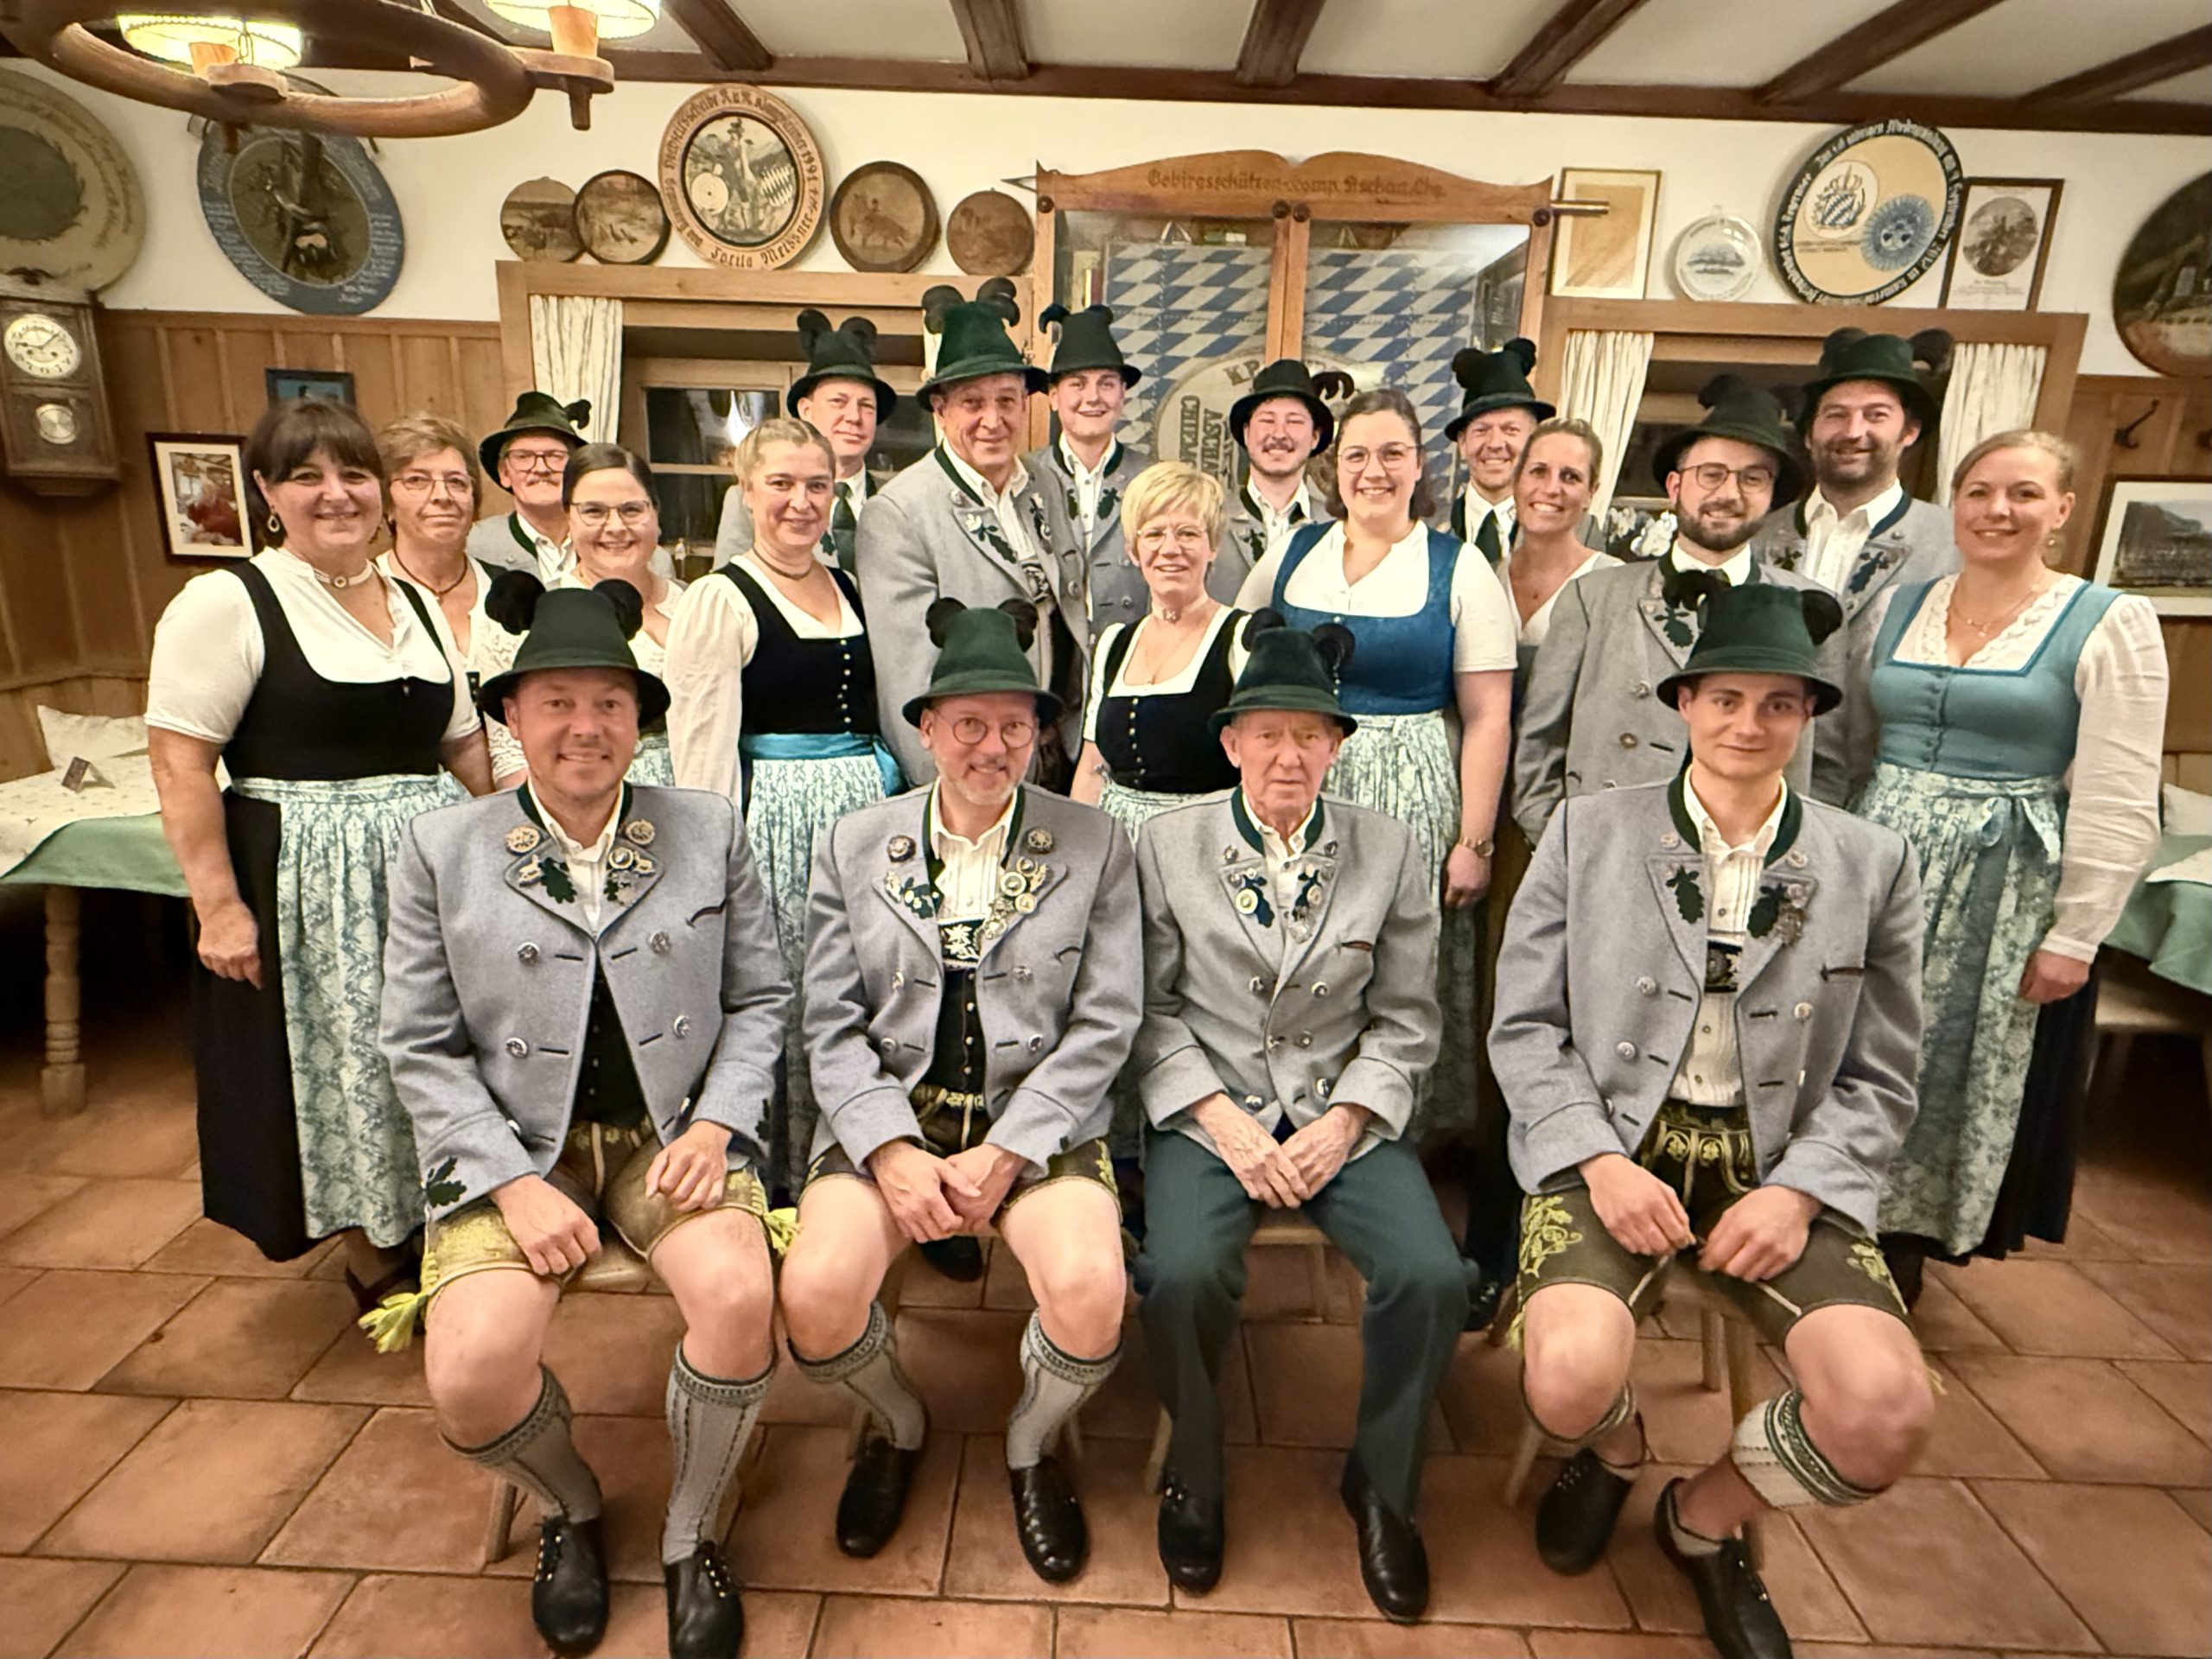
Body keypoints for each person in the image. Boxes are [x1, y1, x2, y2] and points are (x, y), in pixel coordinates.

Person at [1492, 582, 1932, 1659]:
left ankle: (1704, 1515)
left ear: (1809, 715)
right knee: (1565, 1380)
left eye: (1777, 704)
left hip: (1781, 1168)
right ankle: (1618, 1448)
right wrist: (1598, 1162)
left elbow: (1882, 1074)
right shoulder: (1585, 833)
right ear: (1684, 703)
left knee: (1884, 1415)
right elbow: (1524, 1029)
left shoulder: (1871, 863)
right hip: (1612, 1146)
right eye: (1725, 698)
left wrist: (1799, 1193)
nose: (1747, 724)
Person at [376, 585, 789, 1659]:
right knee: (469, 1373)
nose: (584, 727)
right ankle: (571, 1504)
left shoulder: (706, 828)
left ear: (638, 719)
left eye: (609, 702)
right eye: (556, 702)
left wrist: (717, 1126)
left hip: (671, 1137)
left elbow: (761, 1000)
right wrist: (511, 1182)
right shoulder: (442, 848)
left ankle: (692, 1529)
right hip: (516, 1152)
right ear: (512, 716)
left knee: (740, 1297)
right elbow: (416, 1043)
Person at [780, 601, 1138, 1585]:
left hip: (1036, 1120)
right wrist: (890, 1150)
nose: (993, 747)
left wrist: (1012, 1149)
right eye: (969, 724)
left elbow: (1107, 1021)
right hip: (895, 1111)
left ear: (1041, 735)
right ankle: (897, 1423)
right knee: (813, 1295)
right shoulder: (854, 842)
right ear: (927, 729)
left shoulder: (1095, 842)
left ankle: (1030, 1441)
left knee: (1092, 1294)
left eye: (1016, 726)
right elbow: (828, 1023)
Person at [1134, 625, 1465, 1620]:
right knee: (1180, 1273)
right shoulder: (1166, 845)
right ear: (1231, 743)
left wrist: (1350, 1117)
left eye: (1309, 735)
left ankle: (1384, 1483)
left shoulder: (1389, 847)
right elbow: (1146, 1010)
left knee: (1432, 1277)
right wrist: (1220, 1120)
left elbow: (1408, 1018)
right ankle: (1194, 1472)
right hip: (1210, 1108)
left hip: (1338, 1107)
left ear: (1336, 746)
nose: (1288, 756)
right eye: (1268, 734)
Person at [146, 398, 493, 1291]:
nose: (336, 495)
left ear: (380, 491)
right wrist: (219, 907)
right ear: (266, 492)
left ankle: (444, 1209)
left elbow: (462, 744)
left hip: (425, 870)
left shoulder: (413, 601)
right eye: (307, 477)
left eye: (354, 474)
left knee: (437, 1045)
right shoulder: (230, 601)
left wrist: (518, 845)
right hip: (310, 880)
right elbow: (181, 764)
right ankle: (373, 1241)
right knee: (349, 1059)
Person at [1857, 430, 2168, 1300]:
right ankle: (1827, 1215)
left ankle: (1902, 1248)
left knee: (1946, 1059)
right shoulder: (1902, 606)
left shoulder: (2107, 620)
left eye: (2024, 494)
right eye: (1979, 492)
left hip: (2000, 879)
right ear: (1953, 504)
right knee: (1854, 1043)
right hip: (1881, 857)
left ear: (2062, 509)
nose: (1998, 510)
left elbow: (2118, 791)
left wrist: (2077, 934)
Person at [1236, 387, 1515, 1138]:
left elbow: (1489, 716)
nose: (1374, 471)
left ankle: (1389, 1128)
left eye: (1393, 453)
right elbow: (1239, 662)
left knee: (1393, 960)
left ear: (1420, 464)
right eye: (1357, 455)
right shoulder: (1292, 554)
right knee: (1292, 946)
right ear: (1336, 466)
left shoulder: (1458, 567)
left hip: (1410, 790)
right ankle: (1285, 1118)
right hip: (1298, 782)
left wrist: (1475, 840)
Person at [665, 416, 898, 1194]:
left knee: (860, 988)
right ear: (746, 491)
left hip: (863, 818)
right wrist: (715, 865)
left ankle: (852, 1155)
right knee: (788, 992)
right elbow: (703, 751)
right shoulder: (720, 597)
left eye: (817, 486)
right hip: (776, 822)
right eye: (782, 484)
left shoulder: (849, 585)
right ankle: (779, 1177)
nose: (801, 502)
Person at [1514, 377, 1838, 849]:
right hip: (1607, 845)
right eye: (1711, 474)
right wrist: (1565, 846)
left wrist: (1792, 851)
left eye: (1752, 478)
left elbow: (1829, 763)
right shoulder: (1595, 598)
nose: (1729, 493)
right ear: (1675, 485)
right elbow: (1538, 743)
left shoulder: (1808, 607)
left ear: (1772, 495)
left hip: (1749, 853)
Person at [860, 280, 1085, 786]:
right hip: (977, 768)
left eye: (1007, 400)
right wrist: (944, 795)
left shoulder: (1045, 484)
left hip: (1055, 754)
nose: (993, 420)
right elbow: (908, 681)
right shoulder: (899, 512)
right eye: (972, 403)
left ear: (1026, 404)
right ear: (940, 409)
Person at [1754, 329, 1960, 804]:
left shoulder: (1954, 544)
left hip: (1896, 795)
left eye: (1876, 415)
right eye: (1836, 415)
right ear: (1809, 434)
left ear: (1909, 432)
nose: (1853, 432)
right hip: (1764, 786)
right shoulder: (1758, 537)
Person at [1071, 461, 1266, 837]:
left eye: (1188, 533)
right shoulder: (1114, 644)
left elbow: (1261, 771)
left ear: (1213, 547)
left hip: (1204, 842)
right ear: (1133, 550)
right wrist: (1079, 852)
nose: (1170, 549)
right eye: (1154, 534)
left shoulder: (1241, 639)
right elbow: (1093, 767)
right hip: (1116, 847)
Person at [480, 444, 687, 789]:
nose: (615, 527)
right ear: (568, 517)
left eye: (632, 510)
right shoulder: (531, 616)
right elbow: (512, 761)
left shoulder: (697, 604)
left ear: (656, 513)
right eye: (594, 511)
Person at [716, 310, 897, 573]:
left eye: (866, 406)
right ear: (806, 410)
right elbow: (730, 586)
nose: (854, 417)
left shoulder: (900, 498)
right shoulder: (753, 499)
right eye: (838, 402)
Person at [1027, 303, 1155, 631]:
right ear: (1053, 397)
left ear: (1122, 395)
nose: (1093, 397)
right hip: (1047, 650)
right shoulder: (1023, 477)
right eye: (1078, 384)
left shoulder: (1154, 480)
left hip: (1130, 648)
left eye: (1106, 384)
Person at [376, 413, 499, 698]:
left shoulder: (507, 589)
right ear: (386, 502)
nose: (442, 496)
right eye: (417, 480)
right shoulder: (362, 595)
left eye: (456, 482)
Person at [1218, 359, 1351, 594]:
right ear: (1247, 433)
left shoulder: (1340, 527)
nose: (1279, 434)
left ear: (1315, 437)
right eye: (1267, 420)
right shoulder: (1208, 517)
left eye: (1294, 421)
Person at [1501, 417, 1615, 677]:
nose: (1552, 489)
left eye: (1570, 477)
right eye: (1538, 471)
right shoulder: (1488, 577)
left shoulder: (1612, 586)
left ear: (1590, 493)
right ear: (1516, 481)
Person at [1443, 339, 1554, 561]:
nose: (1494, 444)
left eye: (1510, 430)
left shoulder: (1572, 530)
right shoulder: (1422, 531)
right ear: (1462, 444)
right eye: (1482, 430)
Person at [468, 391, 590, 582]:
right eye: (523, 457)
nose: (541, 469)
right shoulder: (474, 547)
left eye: (555, 456)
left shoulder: (604, 538)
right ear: (504, 473)